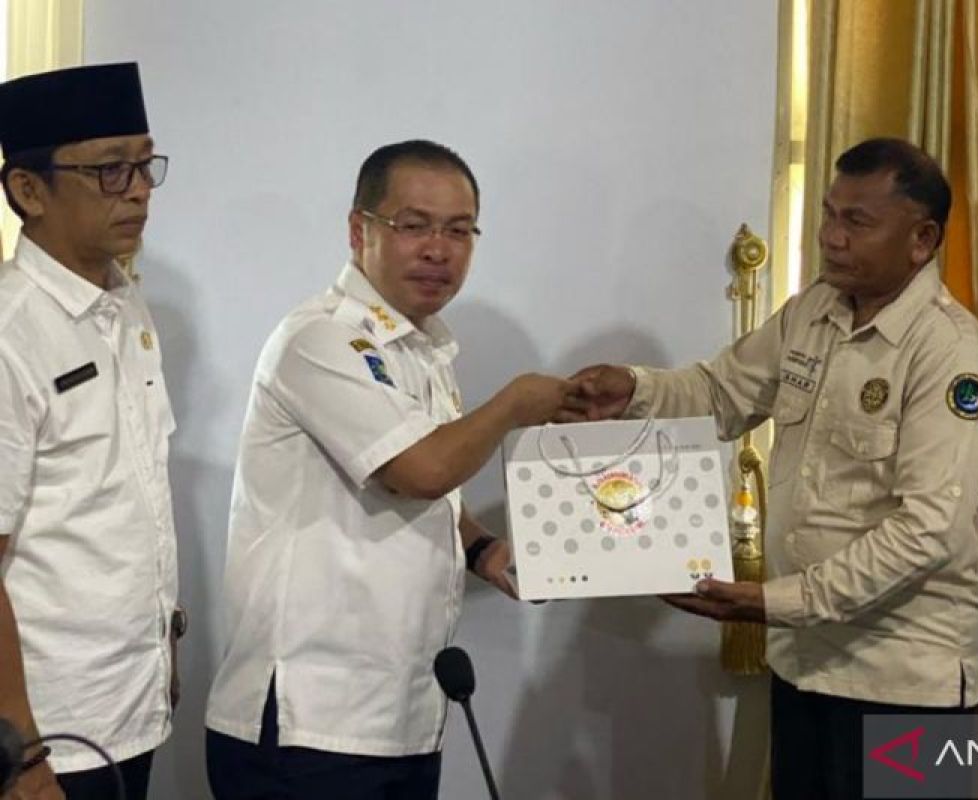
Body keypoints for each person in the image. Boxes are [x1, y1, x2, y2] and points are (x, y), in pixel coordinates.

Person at [562, 138, 978, 799]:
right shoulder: (815, 311)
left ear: (921, 240)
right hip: (807, 664)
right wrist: (632, 390)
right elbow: (723, 393)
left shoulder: (951, 358)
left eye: (856, 222)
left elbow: (928, 530)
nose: (831, 238)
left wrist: (775, 601)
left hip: (902, 677)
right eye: (828, 215)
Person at [204, 139, 574, 800]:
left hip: (401, 717)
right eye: (414, 225)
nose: (438, 248)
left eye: (459, 230)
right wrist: (517, 402)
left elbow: (431, 494)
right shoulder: (320, 339)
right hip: (309, 725)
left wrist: (483, 548)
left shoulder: (422, 349)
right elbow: (421, 470)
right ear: (359, 230)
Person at [0, 63, 180, 800]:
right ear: (28, 191)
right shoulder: (13, 333)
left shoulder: (124, 302)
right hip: (51, 730)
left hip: (130, 706)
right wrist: (20, 750)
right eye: (110, 169)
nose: (137, 188)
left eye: (144, 163)